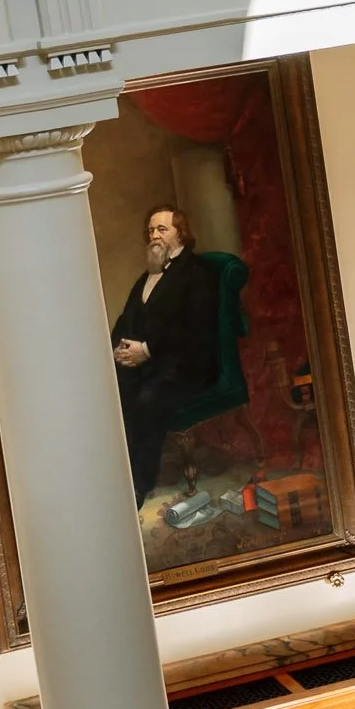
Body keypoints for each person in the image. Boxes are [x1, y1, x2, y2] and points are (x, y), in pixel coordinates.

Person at [111, 207, 219, 507]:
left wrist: (146, 350)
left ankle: (139, 486)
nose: (154, 236)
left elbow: (194, 331)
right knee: (111, 389)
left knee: (148, 398)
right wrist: (118, 349)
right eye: (151, 230)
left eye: (162, 229)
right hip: (151, 363)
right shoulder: (148, 275)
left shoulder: (197, 274)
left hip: (187, 366)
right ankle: (115, 477)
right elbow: (126, 319)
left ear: (180, 233)